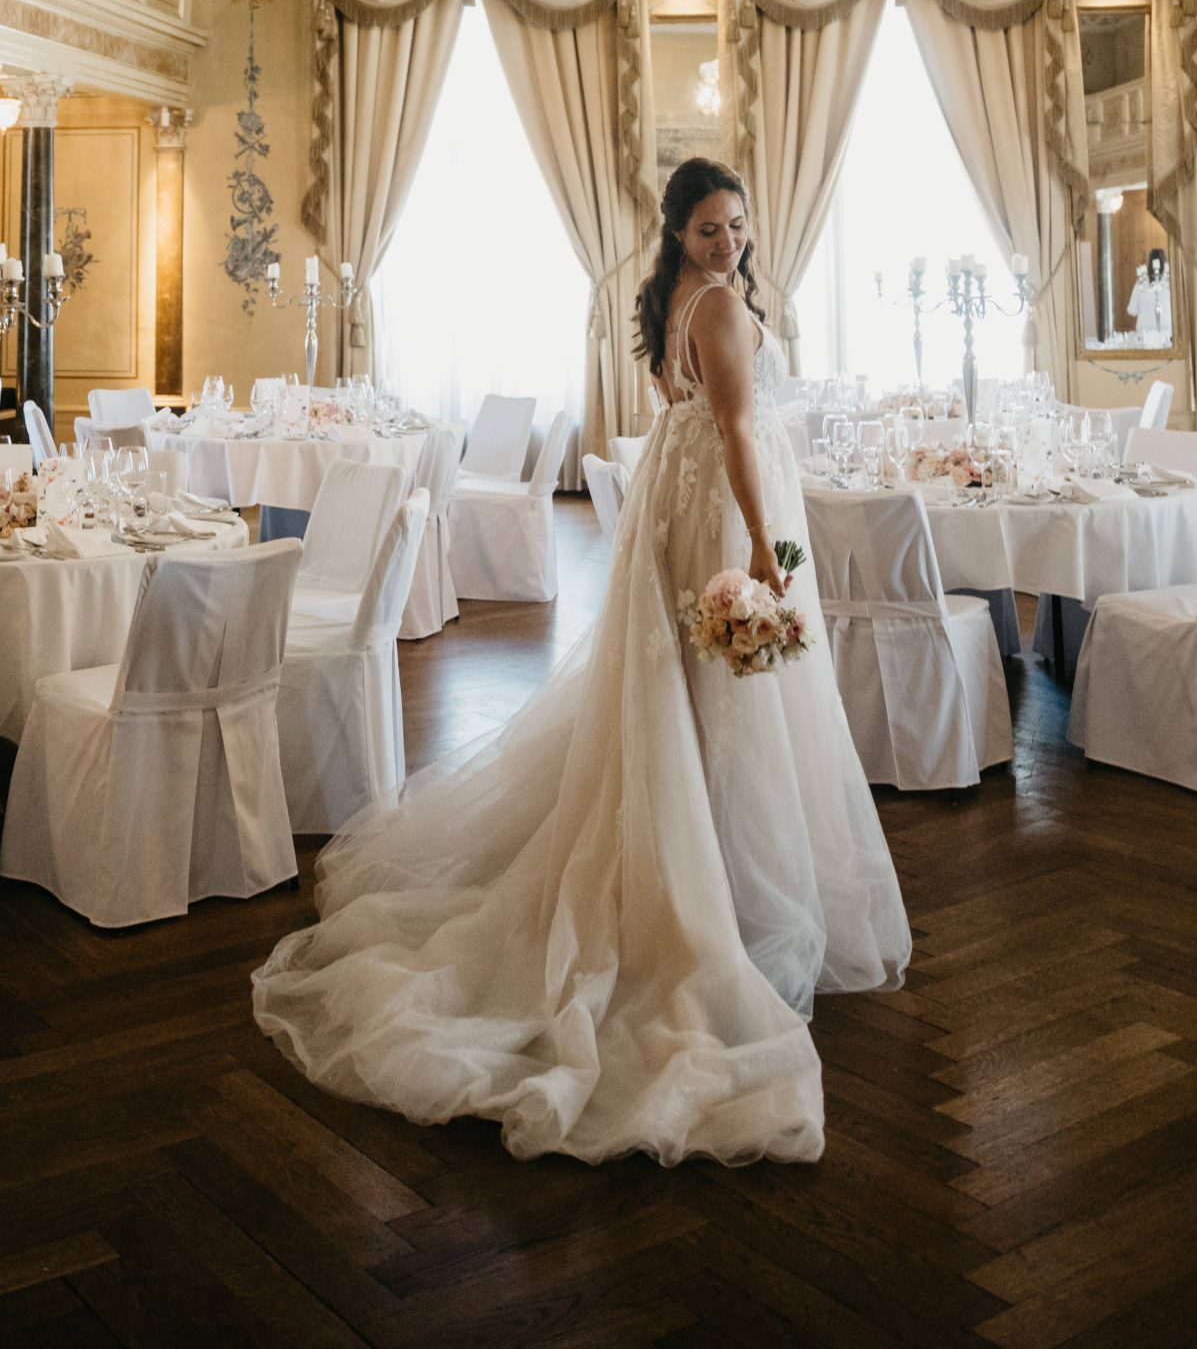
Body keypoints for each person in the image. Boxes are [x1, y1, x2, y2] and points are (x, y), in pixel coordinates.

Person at [251, 157, 909, 1165]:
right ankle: (713, 887)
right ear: (679, 234)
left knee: (692, 696)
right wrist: (765, 554)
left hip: (684, 505)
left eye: (738, 225)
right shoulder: (722, 308)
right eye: (709, 230)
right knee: (730, 698)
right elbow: (733, 425)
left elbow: (689, 411)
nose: (729, 244)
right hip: (728, 511)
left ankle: (710, 860)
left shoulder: (674, 299)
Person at [1128, 246, 1171, 345]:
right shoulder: (1169, 282)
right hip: (1167, 329)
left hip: (1144, 331)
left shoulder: (1141, 282)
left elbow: (1132, 310)